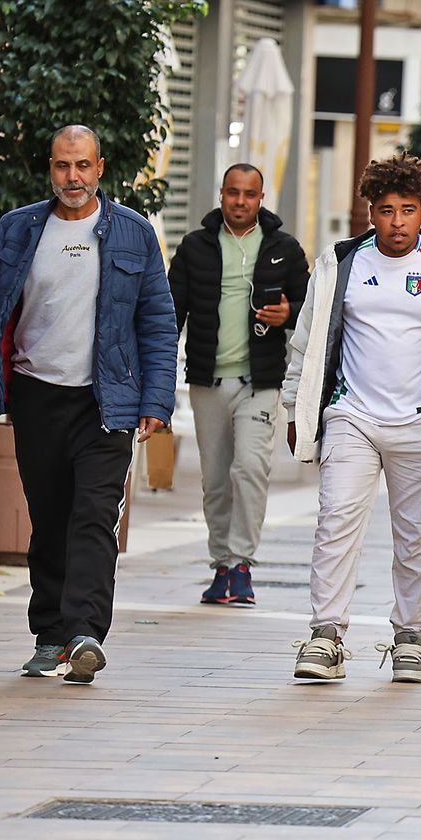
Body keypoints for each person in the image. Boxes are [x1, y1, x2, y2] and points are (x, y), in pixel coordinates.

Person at [0, 126, 176, 684]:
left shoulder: (133, 232)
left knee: (95, 517)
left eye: (81, 166)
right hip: (36, 395)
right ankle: (50, 635)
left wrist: (157, 398)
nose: (72, 177)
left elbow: (157, 321)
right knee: (50, 518)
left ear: (100, 167)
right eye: (61, 166)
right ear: (50, 169)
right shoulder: (18, 228)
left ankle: (84, 635)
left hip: (107, 400)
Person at [282, 154, 421, 683]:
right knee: (335, 522)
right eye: (387, 210)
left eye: (408, 210)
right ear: (371, 212)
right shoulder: (341, 262)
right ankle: (326, 636)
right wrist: (296, 405)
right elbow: (307, 341)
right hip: (352, 416)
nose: (397, 222)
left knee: (417, 537)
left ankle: (410, 638)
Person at [167, 164, 309, 607]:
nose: (241, 201)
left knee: (249, 469)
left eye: (249, 194)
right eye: (233, 193)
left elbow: (310, 307)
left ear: (261, 198)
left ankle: (242, 564)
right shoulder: (195, 247)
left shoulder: (284, 248)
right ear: (222, 194)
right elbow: (170, 313)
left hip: (260, 382)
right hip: (207, 380)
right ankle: (221, 565)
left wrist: (288, 314)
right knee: (215, 479)